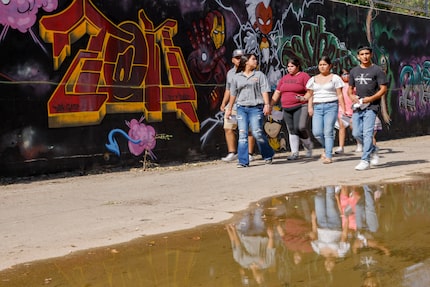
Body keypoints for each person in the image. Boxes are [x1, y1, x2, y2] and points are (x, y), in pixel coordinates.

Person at [225, 53, 274, 167]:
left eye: (256, 59)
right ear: (246, 62)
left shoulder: (260, 75)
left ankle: (268, 154)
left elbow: (264, 90)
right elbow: (233, 94)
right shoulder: (237, 77)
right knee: (242, 134)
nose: (255, 61)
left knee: (257, 132)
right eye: (253, 59)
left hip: (256, 108)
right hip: (241, 108)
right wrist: (229, 108)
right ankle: (243, 161)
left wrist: (267, 104)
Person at [348, 46, 388, 171]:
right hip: (358, 106)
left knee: (368, 133)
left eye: (367, 53)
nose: (364, 56)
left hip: (372, 106)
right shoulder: (354, 71)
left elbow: (383, 89)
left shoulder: (377, 70)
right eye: (362, 54)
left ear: (371, 55)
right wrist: (352, 96)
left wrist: (371, 99)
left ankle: (365, 160)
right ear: (358, 56)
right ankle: (374, 149)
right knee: (356, 133)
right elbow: (350, 90)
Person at [304, 56, 346, 164]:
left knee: (328, 131)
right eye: (320, 65)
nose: (322, 67)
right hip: (317, 107)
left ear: (330, 66)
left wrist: (343, 108)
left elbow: (340, 94)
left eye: (324, 65)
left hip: (331, 106)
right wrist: (309, 106)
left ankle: (328, 155)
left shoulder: (335, 78)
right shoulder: (312, 79)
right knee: (317, 132)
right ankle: (326, 146)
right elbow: (310, 94)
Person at [270, 58, 313, 160]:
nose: (289, 68)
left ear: (297, 66)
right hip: (286, 107)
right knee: (292, 130)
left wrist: (309, 105)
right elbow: (277, 92)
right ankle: (294, 153)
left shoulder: (304, 76)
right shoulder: (284, 78)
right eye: (288, 67)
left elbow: (310, 92)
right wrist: (270, 105)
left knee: (300, 127)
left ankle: (308, 146)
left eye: (292, 66)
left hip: (301, 105)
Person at [220, 49, 256, 162]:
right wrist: (224, 103)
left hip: (248, 104)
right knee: (228, 127)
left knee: (249, 130)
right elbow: (228, 89)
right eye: (237, 58)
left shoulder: (251, 71)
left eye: (242, 57)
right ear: (233, 60)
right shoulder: (230, 73)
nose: (239, 60)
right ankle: (232, 153)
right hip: (233, 105)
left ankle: (250, 154)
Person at [334, 69, 361, 154]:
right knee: (341, 127)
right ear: (340, 76)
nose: (347, 75)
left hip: (352, 109)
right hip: (342, 109)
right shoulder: (339, 86)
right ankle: (341, 147)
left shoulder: (353, 85)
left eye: (348, 74)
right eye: (344, 74)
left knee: (354, 128)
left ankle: (359, 144)